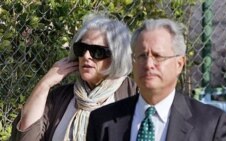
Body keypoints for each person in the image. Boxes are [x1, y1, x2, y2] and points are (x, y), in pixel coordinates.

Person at [86, 18, 226, 141]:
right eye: (142, 56)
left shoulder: (211, 124)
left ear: (179, 64)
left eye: (158, 56)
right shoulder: (103, 120)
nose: (149, 65)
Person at [10, 13, 137, 141]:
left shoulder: (134, 95)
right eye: (81, 49)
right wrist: (45, 84)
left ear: (117, 57)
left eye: (97, 51)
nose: (86, 56)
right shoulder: (60, 98)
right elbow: (26, 137)